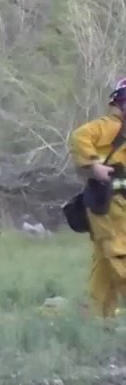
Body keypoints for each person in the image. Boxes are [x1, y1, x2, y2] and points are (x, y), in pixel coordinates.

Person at [69, 78, 126, 318]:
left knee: (103, 265)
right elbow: (79, 136)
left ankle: (97, 318)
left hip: (116, 203)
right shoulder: (109, 126)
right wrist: (94, 165)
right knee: (119, 252)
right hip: (107, 203)